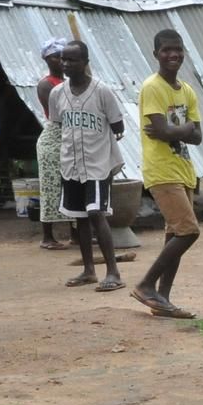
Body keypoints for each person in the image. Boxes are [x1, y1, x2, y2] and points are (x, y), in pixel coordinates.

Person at [132, 29, 203, 320]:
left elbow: (197, 136)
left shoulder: (186, 91)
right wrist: (182, 129)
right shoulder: (152, 87)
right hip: (161, 170)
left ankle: (162, 299)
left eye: (177, 49)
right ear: (156, 54)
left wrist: (179, 131)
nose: (173, 54)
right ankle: (146, 284)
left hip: (183, 168)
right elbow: (160, 131)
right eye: (166, 50)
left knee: (175, 233)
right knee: (189, 230)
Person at [50, 40, 126, 292]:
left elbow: (118, 127)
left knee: (96, 213)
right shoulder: (57, 93)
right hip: (71, 162)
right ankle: (88, 270)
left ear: (85, 63)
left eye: (72, 60)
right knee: (79, 217)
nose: (66, 64)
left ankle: (113, 272)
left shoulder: (101, 91)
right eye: (63, 59)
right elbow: (59, 124)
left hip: (97, 163)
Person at [35, 37, 71, 250]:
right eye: (56, 57)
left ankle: (76, 233)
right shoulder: (46, 84)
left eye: (63, 58)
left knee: (73, 185)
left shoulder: (68, 83)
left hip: (69, 136)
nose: (61, 62)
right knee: (50, 186)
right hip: (54, 137)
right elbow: (60, 112)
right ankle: (47, 237)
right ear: (47, 60)